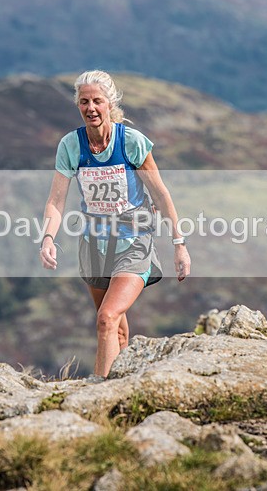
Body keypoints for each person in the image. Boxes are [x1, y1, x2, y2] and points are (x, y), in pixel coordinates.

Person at [39, 70, 191, 378]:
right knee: (116, 331)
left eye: (97, 101)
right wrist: (47, 239)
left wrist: (179, 244)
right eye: (84, 102)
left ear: (110, 103)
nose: (91, 108)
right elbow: (56, 201)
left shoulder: (131, 143)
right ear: (77, 106)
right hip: (94, 247)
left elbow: (160, 194)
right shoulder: (71, 146)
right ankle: (123, 390)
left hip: (134, 242)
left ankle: (98, 395)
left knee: (106, 318)